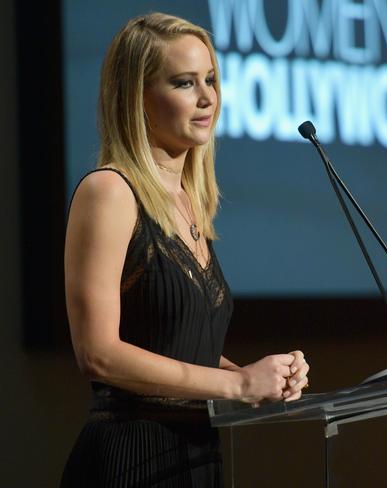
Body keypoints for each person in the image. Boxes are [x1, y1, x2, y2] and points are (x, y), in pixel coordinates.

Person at [60, 12, 309, 487]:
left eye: (211, 80)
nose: (207, 97)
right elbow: (97, 352)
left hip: (196, 458)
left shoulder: (189, 204)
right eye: (184, 82)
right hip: (131, 461)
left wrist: (261, 380)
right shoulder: (110, 192)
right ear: (138, 98)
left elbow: (172, 344)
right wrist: (235, 384)